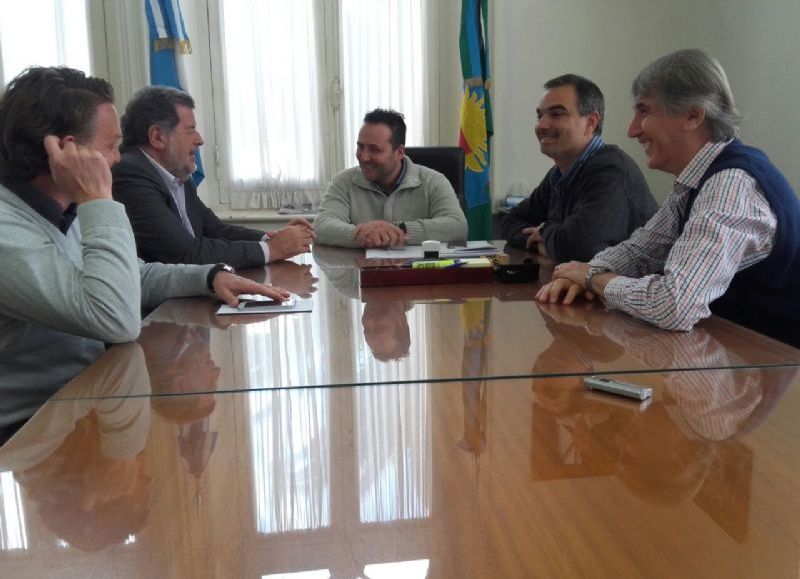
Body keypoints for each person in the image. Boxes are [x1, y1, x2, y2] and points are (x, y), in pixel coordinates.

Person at [0, 66, 289, 401]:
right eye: (111, 146)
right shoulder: (11, 229)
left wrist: (209, 278)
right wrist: (97, 200)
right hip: (30, 431)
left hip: (88, 397)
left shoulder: (65, 210)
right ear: (68, 152)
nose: (117, 159)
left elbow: (132, 275)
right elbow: (115, 319)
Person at [537, 49, 800, 347]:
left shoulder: (730, 184)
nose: (632, 130)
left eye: (644, 111)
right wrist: (581, 274)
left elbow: (675, 305)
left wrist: (593, 280)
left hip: (776, 367)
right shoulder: (695, 181)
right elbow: (641, 251)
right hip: (732, 354)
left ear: (692, 115)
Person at [112, 86, 315, 267]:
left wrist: (270, 238)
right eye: (190, 130)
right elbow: (183, 254)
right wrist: (274, 250)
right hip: (159, 307)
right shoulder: (130, 174)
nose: (199, 140)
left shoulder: (177, 174)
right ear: (157, 137)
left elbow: (214, 229)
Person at [502, 74, 657, 262]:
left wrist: (544, 230)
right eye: (539, 115)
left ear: (590, 123)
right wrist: (540, 240)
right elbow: (510, 221)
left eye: (556, 114)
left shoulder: (611, 170)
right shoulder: (559, 173)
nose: (541, 125)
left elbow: (579, 249)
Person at [315, 108, 468, 248]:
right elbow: (322, 226)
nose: (363, 157)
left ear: (400, 152)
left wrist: (398, 230)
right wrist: (368, 235)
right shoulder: (343, 182)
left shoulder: (434, 181)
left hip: (418, 274)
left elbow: (457, 227)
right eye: (360, 147)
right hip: (360, 273)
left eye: (374, 150)